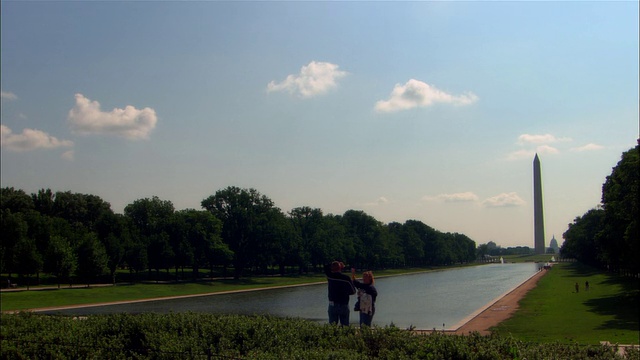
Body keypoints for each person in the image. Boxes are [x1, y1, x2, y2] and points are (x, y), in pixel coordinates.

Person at [324, 261, 356, 326]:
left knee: (332, 326)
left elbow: (326, 267)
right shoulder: (346, 278)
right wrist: (345, 292)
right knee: (345, 326)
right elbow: (353, 291)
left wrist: (335, 265)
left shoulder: (330, 276)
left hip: (332, 304)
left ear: (332, 268)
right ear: (340, 268)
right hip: (344, 304)